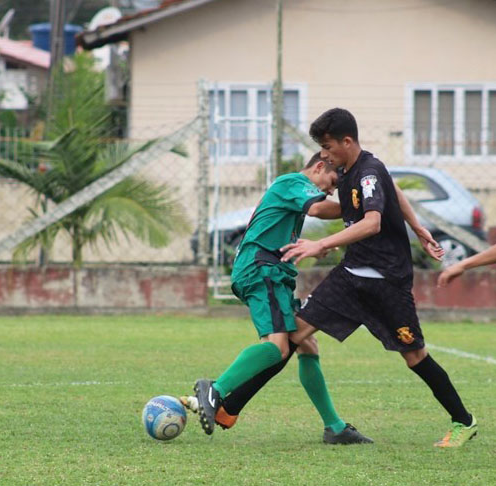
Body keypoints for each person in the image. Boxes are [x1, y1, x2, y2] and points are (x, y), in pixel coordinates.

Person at [274, 108, 476, 448]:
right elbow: (393, 190)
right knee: (294, 334)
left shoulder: (368, 171)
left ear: (347, 141)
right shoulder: (346, 168)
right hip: (351, 276)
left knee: (415, 356)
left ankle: (464, 421)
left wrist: (320, 243)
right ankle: (225, 402)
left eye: (327, 146)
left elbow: (374, 221)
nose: (322, 154)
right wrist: (418, 225)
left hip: (387, 281)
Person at [191, 152, 374, 444]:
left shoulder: (292, 199)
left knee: (306, 343)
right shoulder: (292, 182)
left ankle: (335, 427)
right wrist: (358, 207)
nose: (330, 190)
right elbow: (317, 210)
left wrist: (314, 246)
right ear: (318, 167)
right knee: (277, 347)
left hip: (271, 272)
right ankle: (215, 389)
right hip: (261, 270)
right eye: (331, 181)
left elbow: (279, 228)